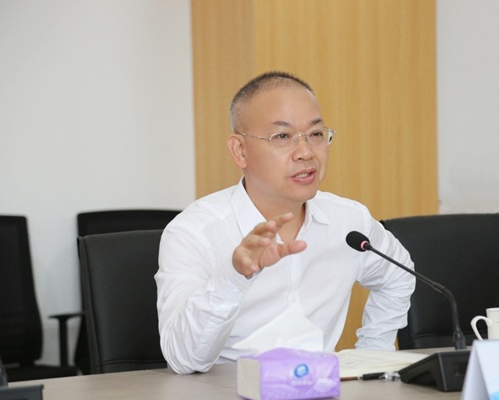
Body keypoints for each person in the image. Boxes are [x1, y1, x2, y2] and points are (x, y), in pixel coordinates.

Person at [155, 71, 416, 374]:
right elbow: (183, 359)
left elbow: (399, 274)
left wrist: (371, 356)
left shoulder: (348, 221)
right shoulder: (193, 232)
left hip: (321, 390)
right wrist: (234, 276)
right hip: (228, 391)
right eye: (282, 137)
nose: (306, 152)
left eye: (315, 134)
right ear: (240, 151)